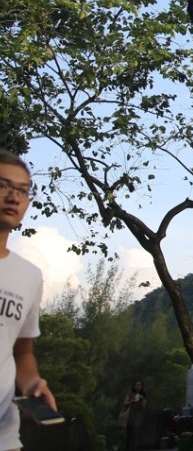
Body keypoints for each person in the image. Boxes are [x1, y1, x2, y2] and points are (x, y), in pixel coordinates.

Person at [0, 150, 57, 451]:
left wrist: (33, 383)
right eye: (4, 186)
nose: (13, 197)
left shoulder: (29, 275)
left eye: (22, 191)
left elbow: (23, 352)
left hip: (6, 439)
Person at [122, 380, 148, 451]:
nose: (138, 386)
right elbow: (124, 403)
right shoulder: (130, 393)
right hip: (130, 416)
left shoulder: (143, 394)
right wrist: (132, 401)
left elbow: (143, 407)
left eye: (140, 385)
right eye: (137, 385)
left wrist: (142, 399)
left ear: (142, 386)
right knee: (129, 435)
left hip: (138, 417)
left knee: (135, 435)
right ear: (134, 386)